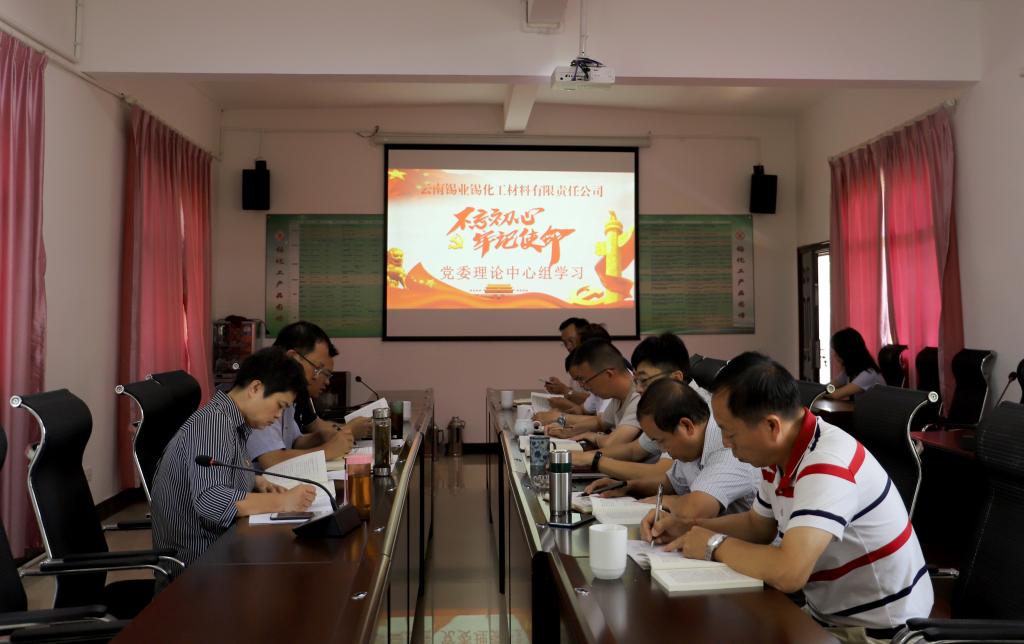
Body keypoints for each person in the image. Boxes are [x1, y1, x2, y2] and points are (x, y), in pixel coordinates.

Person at [644, 352, 932, 642]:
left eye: (730, 433)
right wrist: (688, 527)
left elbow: (789, 572)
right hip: (824, 617)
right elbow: (758, 526)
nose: (726, 444)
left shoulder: (827, 464)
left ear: (771, 426)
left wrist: (713, 544)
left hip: (877, 634)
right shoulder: (780, 456)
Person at [151, 347, 318, 568]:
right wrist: (283, 502)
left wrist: (256, 481)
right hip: (199, 568)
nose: (278, 416)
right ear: (255, 388)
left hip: (223, 552)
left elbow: (222, 472)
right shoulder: (213, 424)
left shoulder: (232, 421)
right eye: (279, 406)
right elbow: (210, 498)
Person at [587, 378, 758, 520]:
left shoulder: (729, 449)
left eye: (661, 441)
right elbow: (671, 482)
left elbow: (694, 511)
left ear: (686, 426)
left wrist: (666, 501)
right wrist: (628, 486)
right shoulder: (693, 446)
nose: (663, 450)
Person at [247, 321, 373, 469]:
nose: (321, 379)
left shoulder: (289, 392)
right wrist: (327, 450)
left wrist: (320, 437)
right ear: (294, 358)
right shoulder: (264, 390)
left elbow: (294, 442)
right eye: (318, 369)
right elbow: (271, 460)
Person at [544, 341, 641, 452]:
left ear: (608, 374)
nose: (584, 386)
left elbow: (611, 443)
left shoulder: (638, 396)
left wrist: (589, 435)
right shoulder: (619, 396)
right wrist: (567, 431)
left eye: (585, 380)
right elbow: (600, 422)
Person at [541, 317, 591, 406]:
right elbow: (578, 393)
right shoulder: (575, 362)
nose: (568, 347)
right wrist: (559, 388)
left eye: (571, 341)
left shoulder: (597, 362)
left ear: (584, 337)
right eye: (564, 343)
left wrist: (564, 390)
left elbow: (596, 402)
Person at [825, 327, 886, 399]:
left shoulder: (868, 374)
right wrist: (826, 390)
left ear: (847, 352)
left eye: (837, 351)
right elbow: (831, 386)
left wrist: (824, 391)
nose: (834, 355)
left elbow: (836, 395)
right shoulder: (850, 371)